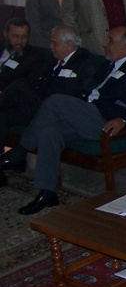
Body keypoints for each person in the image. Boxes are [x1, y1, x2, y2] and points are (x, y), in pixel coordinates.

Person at [0, 27, 126, 215]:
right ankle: (47, 192)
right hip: (85, 115)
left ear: (125, 47)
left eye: (110, 40)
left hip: (104, 121)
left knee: (55, 101)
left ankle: (21, 151)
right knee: (49, 132)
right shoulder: (107, 66)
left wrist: (124, 119)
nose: (104, 43)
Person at [0, 25, 100, 186]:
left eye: (54, 43)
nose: (50, 47)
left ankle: (17, 155)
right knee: (3, 115)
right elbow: (37, 82)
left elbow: (72, 95)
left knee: (19, 85)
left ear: (69, 45)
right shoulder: (51, 60)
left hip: (56, 112)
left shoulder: (83, 62)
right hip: (38, 108)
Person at [0, 17, 50, 92]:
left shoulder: (34, 57)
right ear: (5, 34)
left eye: (24, 37)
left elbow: (22, 85)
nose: (19, 41)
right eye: (15, 36)